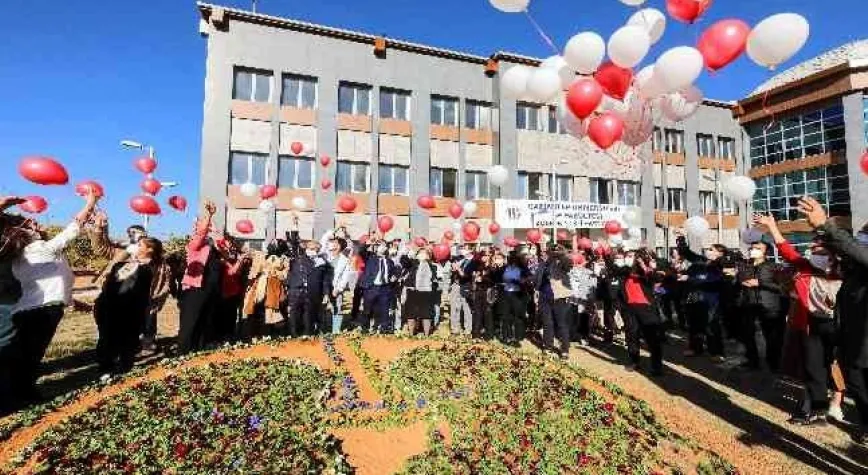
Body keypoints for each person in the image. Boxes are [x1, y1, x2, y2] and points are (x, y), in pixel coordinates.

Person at [0, 191, 99, 407]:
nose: (36, 223)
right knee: (27, 356)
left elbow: (51, 282)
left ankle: (19, 393)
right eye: (30, 224)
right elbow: (75, 226)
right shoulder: (37, 249)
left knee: (26, 356)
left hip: (37, 310)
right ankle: (19, 396)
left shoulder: (33, 254)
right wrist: (91, 202)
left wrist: (71, 300)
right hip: (39, 312)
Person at [756, 214, 844, 425]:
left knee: (837, 368)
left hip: (839, 327)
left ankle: (837, 404)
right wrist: (772, 227)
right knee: (813, 369)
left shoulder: (846, 273)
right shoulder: (805, 267)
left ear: (833, 255)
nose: (814, 253)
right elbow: (786, 250)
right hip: (808, 325)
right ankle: (816, 410)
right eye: (813, 249)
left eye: (820, 250)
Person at [797, 196, 868, 442]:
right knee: (857, 385)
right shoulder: (854, 272)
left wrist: (826, 225)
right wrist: (821, 229)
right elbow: (847, 250)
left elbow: (856, 252)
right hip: (853, 342)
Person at [94, 238, 162, 376]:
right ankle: (105, 367)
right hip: (110, 308)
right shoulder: (121, 265)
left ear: (150, 250)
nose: (135, 247)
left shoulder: (147, 269)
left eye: (140, 245)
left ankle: (123, 368)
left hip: (129, 312)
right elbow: (110, 281)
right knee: (107, 339)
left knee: (127, 342)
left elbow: (135, 292)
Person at [178, 201, 222, 354]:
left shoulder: (214, 250)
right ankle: (183, 351)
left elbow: (220, 239)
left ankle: (197, 348)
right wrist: (209, 215)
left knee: (204, 319)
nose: (208, 230)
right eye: (205, 228)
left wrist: (214, 229)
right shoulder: (194, 246)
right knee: (190, 321)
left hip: (209, 289)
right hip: (195, 288)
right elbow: (201, 233)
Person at [737, 235, 785, 371]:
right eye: (752, 248)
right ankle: (752, 361)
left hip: (769, 306)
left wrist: (761, 283)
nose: (754, 250)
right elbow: (739, 283)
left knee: (772, 337)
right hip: (748, 304)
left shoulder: (773, 267)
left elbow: (782, 287)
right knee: (747, 335)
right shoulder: (745, 266)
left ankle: (774, 364)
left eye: (758, 248)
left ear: (766, 252)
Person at [676, 232, 727, 360]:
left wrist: (690, 278)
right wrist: (681, 237)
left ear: (719, 254)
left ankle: (716, 352)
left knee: (711, 326)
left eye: (711, 249)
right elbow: (686, 252)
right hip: (694, 297)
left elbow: (714, 281)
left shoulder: (721, 266)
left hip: (710, 301)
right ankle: (695, 348)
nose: (708, 251)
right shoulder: (700, 261)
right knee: (694, 325)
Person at [615, 248, 664, 376]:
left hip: (646, 309)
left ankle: (656, 366)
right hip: (629, 309)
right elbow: (612, 268)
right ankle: (634, 361)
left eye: (633, 256)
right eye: (629, 256)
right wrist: (606, 252)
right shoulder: (626, 270)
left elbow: (656, 278)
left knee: (652, 338)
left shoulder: (649, 271)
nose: (631, 258)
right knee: (632, 335)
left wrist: (644, 265)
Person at [285, 217, 333, 336]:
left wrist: (326, 294)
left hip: (312, 293)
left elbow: (325, 281)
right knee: (294, 316)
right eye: (311, 249)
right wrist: (294, 225)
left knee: (308, 317)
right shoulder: (298, 258)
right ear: (306, 249)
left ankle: (308, 336)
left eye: (316, 249)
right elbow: (294, 242)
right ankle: (294, 336)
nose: (313, 251)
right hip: (296, 291)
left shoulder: (322, 263)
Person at [355, 236, 399, 333]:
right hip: (371, 287)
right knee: (367, 309)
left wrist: (394, 276)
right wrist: (368, 243)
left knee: (384, 309)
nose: (382, 247)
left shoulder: (390, 261)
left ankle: (384, 329)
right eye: (380, 245)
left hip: (385, 288)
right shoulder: (370, 257)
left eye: (384, 245)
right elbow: (361, 251)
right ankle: (364, 328)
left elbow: (395, 272)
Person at [491, 251, 531, 346]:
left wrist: (516, 281)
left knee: (517, 317)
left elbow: (528, 279)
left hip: (517, 295)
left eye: (513, 258)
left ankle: (516, 337)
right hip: (505, 294)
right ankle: (506, 336)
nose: (511, 260)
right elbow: (496, 279)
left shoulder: (522, 269)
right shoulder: (505, 268)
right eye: (510, 258)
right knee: (505, 317)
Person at [214, 236, 248, 343]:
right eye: (228, 244)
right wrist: (240, 260)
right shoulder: (221, 260)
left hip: (233, 291)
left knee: (231, 316)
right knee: (224, 316)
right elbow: (232, 271)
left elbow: (237, 272)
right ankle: (222, 338)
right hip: (224, 292)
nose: (230, 247)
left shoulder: (231, 258)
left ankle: (229, 336)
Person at [322, 228, 355, 334]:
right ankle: (324, 329)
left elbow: (345, 276)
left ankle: (335, 330)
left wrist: (339, 288)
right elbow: (323, 240)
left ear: (340, 246)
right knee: (324, 308)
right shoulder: (325, 256)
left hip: (337, 288)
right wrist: (334, 231)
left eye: (336, 243)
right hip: (324, 287)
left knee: (338, 308)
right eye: (332, 243)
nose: (333, 245)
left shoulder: (344, 260)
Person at [543, 246, 574, 359]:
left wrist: (562, 254)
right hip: (546, 298)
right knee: (547, 323)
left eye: (556, 251)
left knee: (561, 324)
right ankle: (548, 347)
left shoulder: (563, 262)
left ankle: (564, 349)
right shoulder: (547, 262)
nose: (554, 253)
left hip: (560, 297)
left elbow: (568, 266)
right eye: (552, 251)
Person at [400, 246, 439, 336]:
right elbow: (404, 261)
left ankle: (426, 334)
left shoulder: (433, 266)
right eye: (420, 253)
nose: (422, 255)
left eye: (424, 253)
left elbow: (435, 279)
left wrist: (427, 261)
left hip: (427, 292)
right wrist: (408, 252)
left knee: (426, 314)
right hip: (413, 290)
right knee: (411, 313)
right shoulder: (413, 263)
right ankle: (411, 333)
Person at [569, 253, 597, 346]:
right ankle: (573, 336)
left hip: (584, 299)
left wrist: (591, 299)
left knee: (583, 318)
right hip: (573, 298)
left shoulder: (589, 273)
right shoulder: (570, 272)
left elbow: (592, 287)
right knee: (573, 318)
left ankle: (583, 337)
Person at [450, 244, 477, 336]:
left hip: (466, 286)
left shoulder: (473, 262)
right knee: (455, 308)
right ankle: (455, 329)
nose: (462, 251)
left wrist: (458, 269)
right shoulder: (460, 259)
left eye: (464, 249)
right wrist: (454, 268)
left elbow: (465, 275)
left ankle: (468, 330)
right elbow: (454, 270)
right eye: (461, 249)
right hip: (456, 285)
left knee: (466, 309)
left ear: (470, 250)